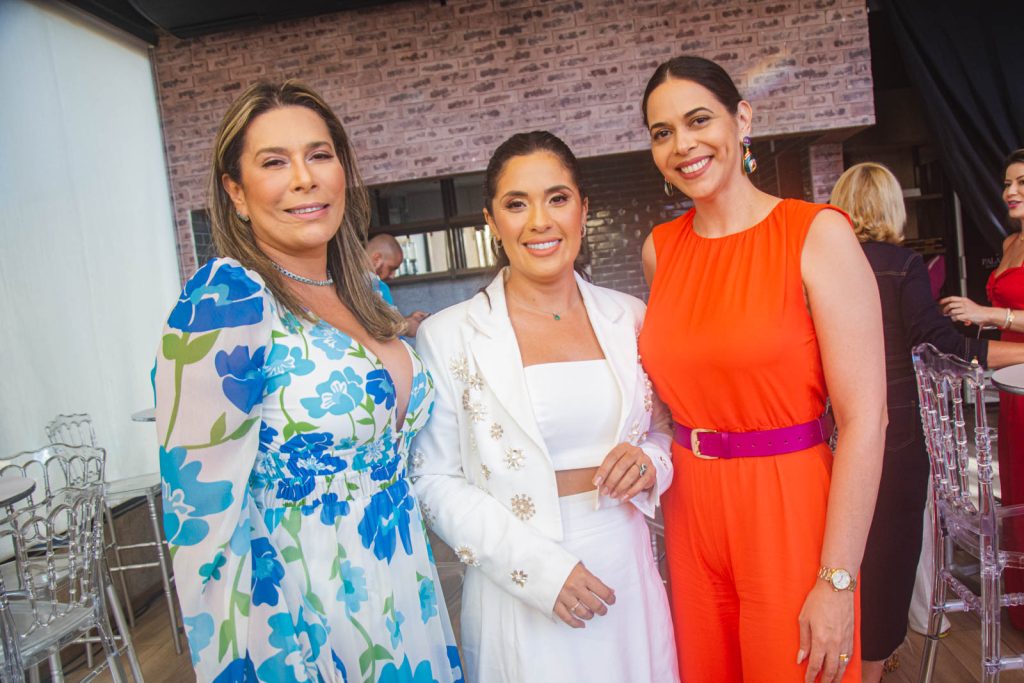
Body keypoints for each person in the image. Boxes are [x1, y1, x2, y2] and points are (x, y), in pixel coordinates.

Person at [154, 81, 462, 682]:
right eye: (274, 162)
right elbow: (202, 529)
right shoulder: (226, 301)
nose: (304, 177)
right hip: (305, 616)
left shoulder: (365, 292)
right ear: (236, 192)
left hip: (405, 590)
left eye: (319, 155)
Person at [637, 56, 887, 682]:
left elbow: (866, 419)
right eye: (662, 132)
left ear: (741, 119)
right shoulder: (660, 251)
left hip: (789, 507)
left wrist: (837, 580)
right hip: (690, 514)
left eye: (699, 121)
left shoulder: (815, 234)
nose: (682, 145)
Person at [411, 131, 678, 682]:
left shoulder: (630, 318)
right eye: (516, 203)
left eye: (557, 198)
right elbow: (433, 476)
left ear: (583, 209)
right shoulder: (449, 334)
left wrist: (652, 460)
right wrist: (539, 572)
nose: (539, 221)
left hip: (625, 573)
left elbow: (665, 428)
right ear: (492, 220)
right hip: (519, 587)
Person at [830, 161, 1024, 680]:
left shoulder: (820, 266)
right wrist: (1009, 351)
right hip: (894, 437)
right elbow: (942, 345)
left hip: (831, 434)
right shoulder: (900, 264)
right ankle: (872, 671)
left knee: (841, 559)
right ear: (892, 207)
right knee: (890, 557)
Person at [940, 148, 1024, 628]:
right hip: (1010, 388)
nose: (1009, 192)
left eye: (1021, 183)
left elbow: (997, 315)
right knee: (1015, 491)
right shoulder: (1010, 243)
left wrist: (990, 316)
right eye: (1007, 183)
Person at [365, 233, 430, 335]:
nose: (392, 276)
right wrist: (407, 326)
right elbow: (375, 325)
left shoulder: (374, 284)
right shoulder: (369, 284)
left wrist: (408, 319)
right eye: (391, 268)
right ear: (376, 259)